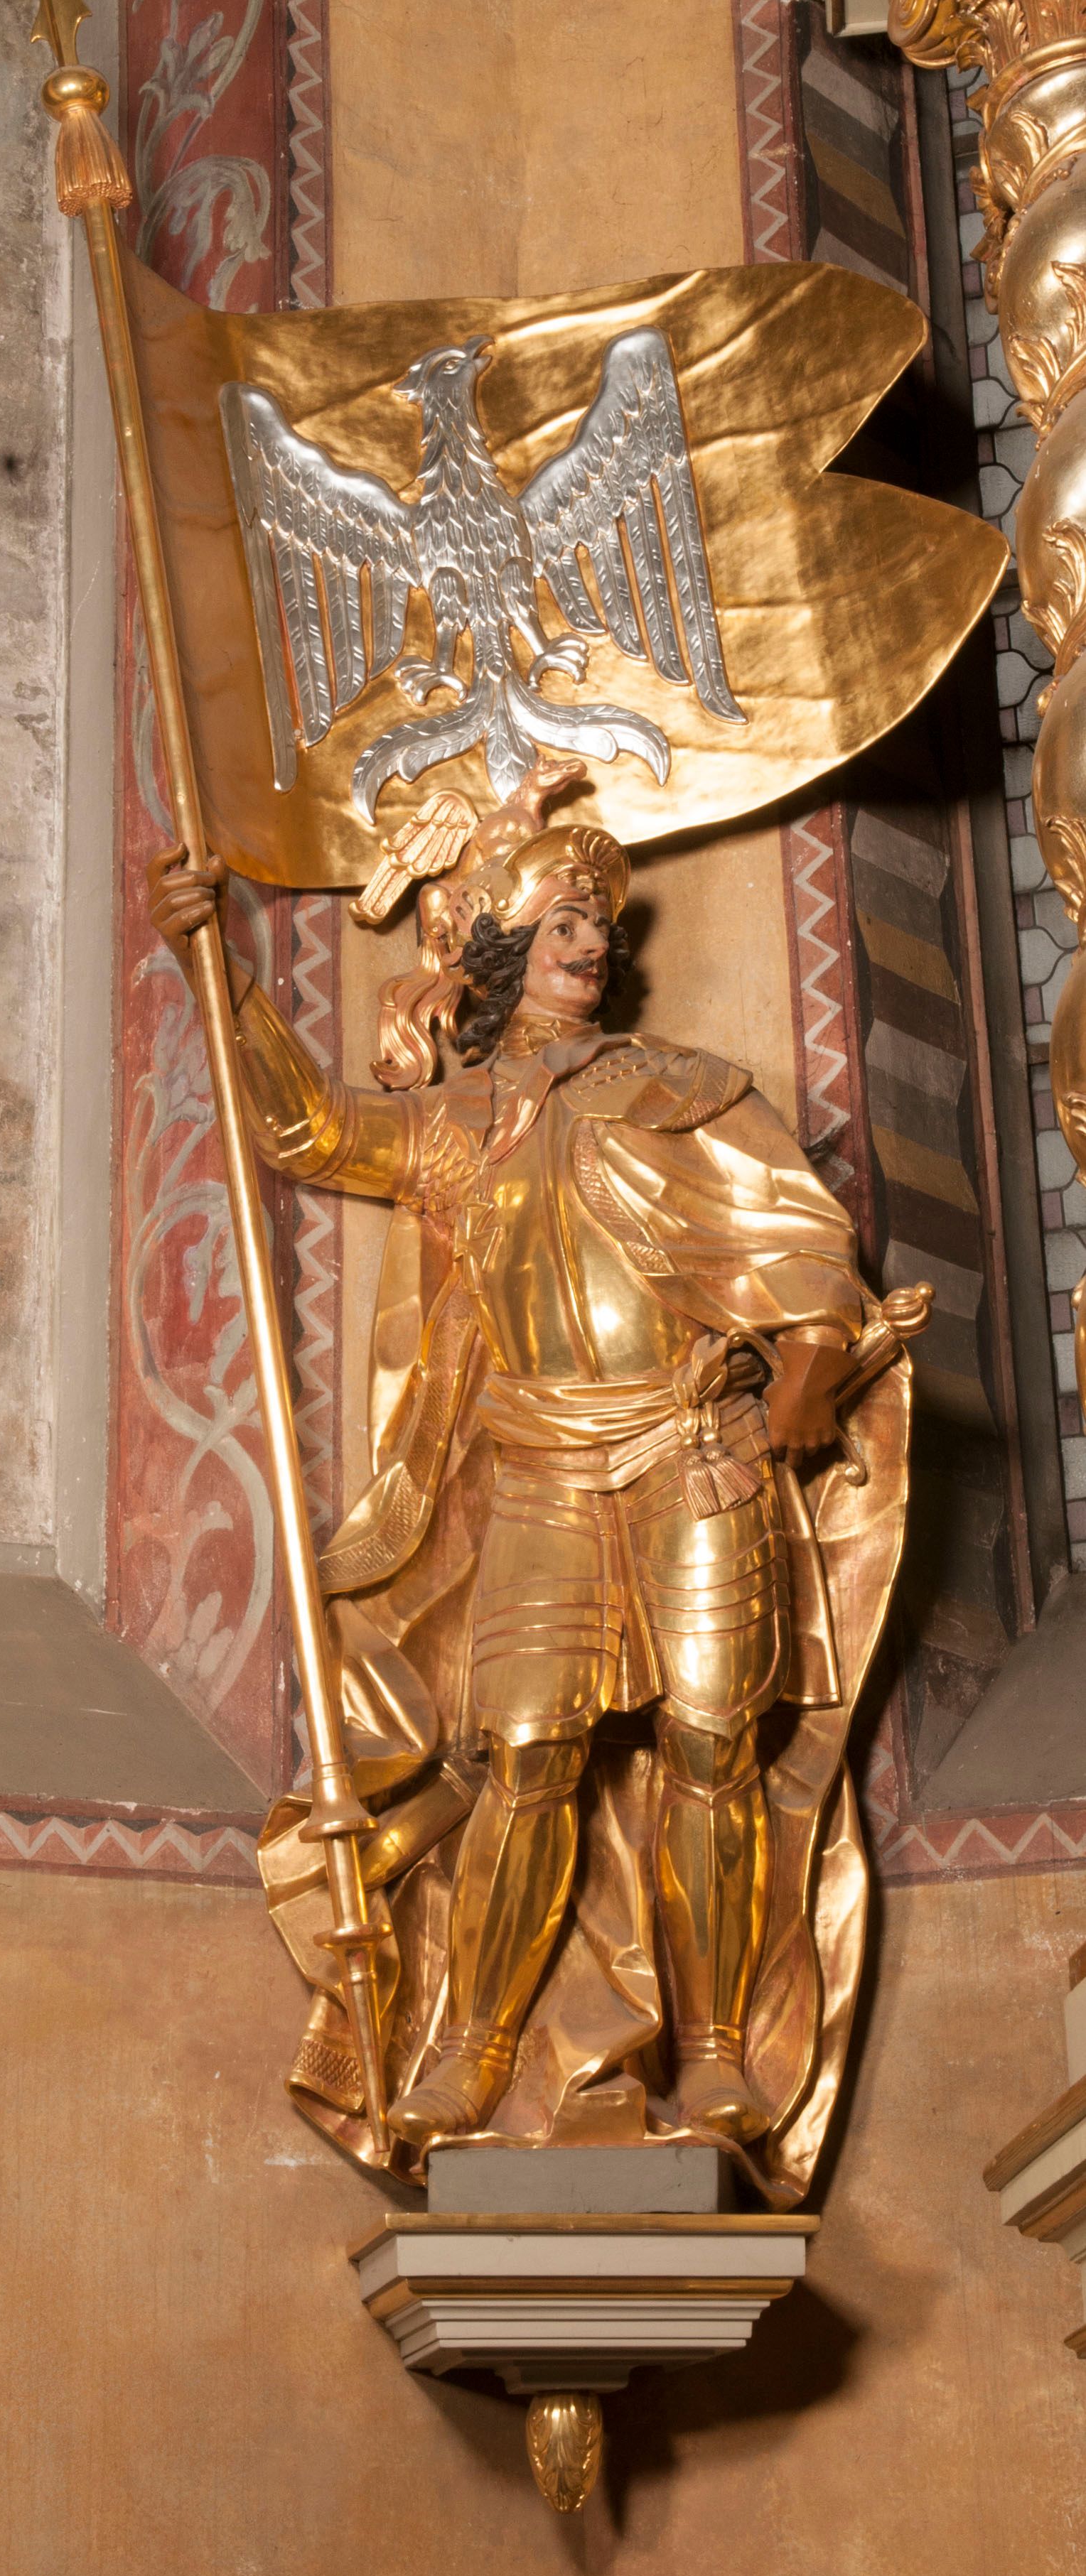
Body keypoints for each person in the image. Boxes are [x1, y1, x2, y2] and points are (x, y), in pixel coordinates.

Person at [148, 762, 914, 2178]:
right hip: (542, 1469)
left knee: (709, 1743)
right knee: (526, 1753)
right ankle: (474, 2045)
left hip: (692, 1450)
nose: (590, 939)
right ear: (501, 937)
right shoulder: (461, 1121)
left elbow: (806, 1250)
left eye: (598, 921)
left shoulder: (684, 1089)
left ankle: (712, 2050)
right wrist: (223, 973)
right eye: (562, 915)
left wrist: (806, 1376)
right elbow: (307, 1129)